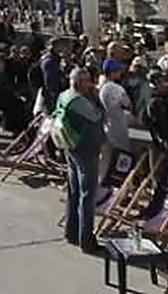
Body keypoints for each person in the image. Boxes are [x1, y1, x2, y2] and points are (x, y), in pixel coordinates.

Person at [53, 66, 105, 254]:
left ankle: (71, 231)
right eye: (87, 81)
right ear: (79, 83)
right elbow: (97, 115)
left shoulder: (64, 95)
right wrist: (96, 98)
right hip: (85, 148)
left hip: (71, 145)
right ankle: (87, 238)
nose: (90, 84)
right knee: (87, 194)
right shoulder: (79, 101)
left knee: (74, 191)